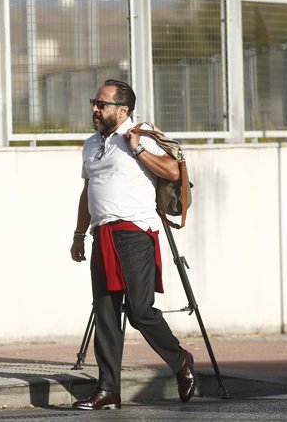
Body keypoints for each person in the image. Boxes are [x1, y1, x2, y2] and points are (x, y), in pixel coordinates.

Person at [69, 79, 195, 410]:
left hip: (136, 233)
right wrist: (79, 234)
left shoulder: (142, 134)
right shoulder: (91, 144)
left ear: (122, 110)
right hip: (103, 234)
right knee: (106, 313)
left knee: (140, 311)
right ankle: (108, 389)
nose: (95, 109)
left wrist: (138, 146)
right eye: (93, 102)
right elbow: (88, 190)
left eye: (102, 104)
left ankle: (181, 361)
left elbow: (172, 170)